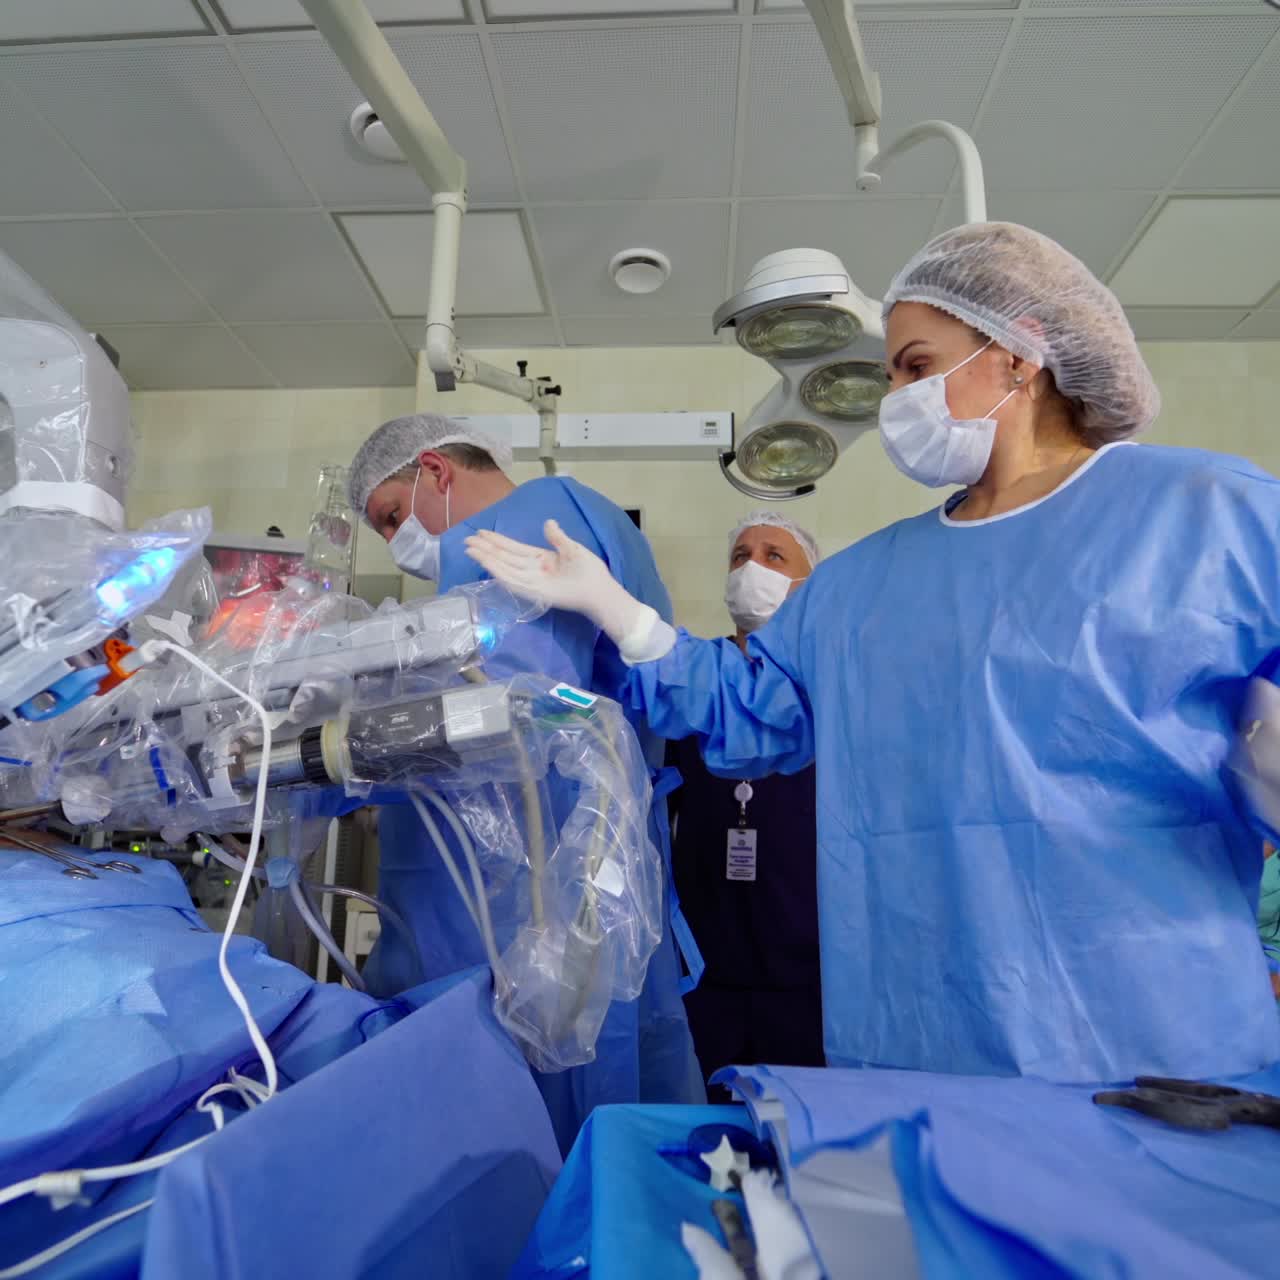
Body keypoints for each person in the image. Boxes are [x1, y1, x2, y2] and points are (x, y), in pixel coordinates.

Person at [467, 221, 1280, 1085]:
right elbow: (748, 709)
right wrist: (616, 609)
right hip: (914, 1040)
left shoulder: (1207, 514)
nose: (897, 398)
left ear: (1018, 354)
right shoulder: (857, 588)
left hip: (1157, 1048)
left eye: (918, 367)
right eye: (890, 374)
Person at [347, 413, 704, 1152]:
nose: (395, 542)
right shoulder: (488, 565)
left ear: (435, 472)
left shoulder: (539, 519)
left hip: (535, 904)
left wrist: (345, 715)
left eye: (391, 516)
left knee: (542, 1141)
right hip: (511, 904)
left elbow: (509, 711)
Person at [669, 512, 824, 1096]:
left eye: (774, 556)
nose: (751, 567)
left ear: (812, 584)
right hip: (707, 969)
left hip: (807, 972)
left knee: (803, 1134)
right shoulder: (691, 681)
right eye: (740, 556)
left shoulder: (832, 684)